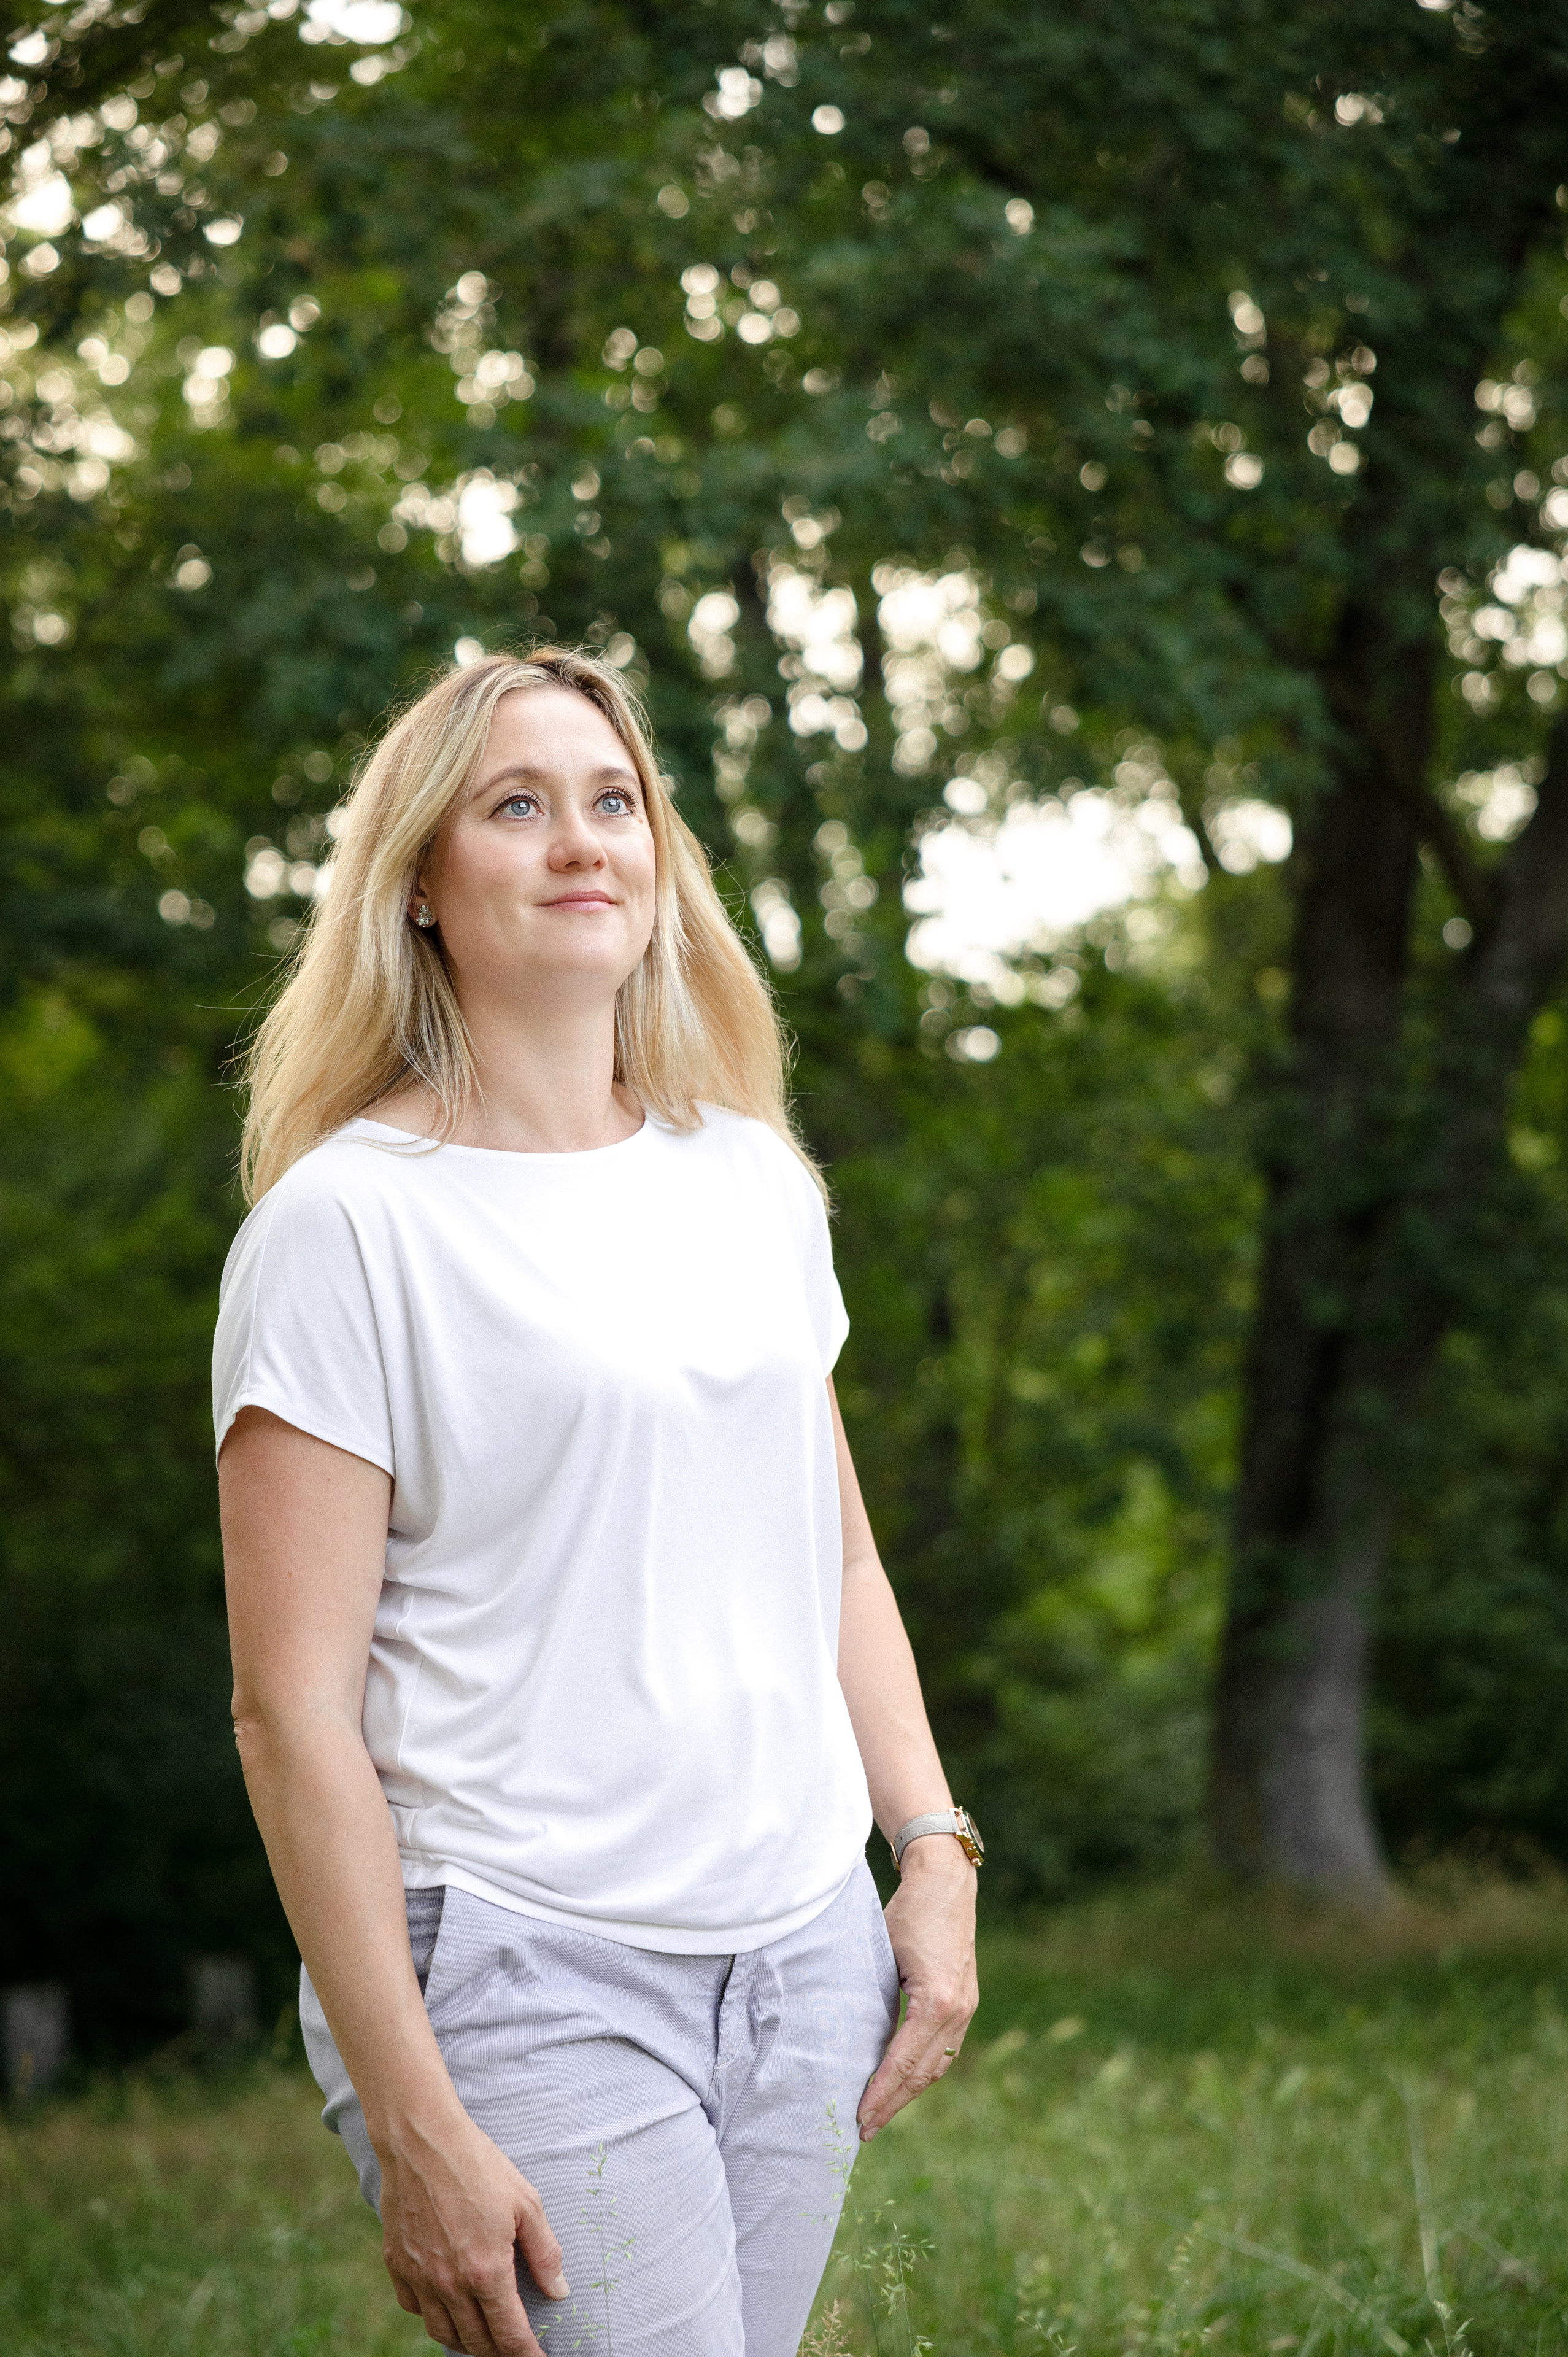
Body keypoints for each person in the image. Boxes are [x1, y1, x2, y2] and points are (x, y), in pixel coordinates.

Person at [215, 648, 981, 2357]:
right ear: (421, 884)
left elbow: (836, 1558)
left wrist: (931, 1847)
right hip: (522, 1964)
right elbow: (290, 1714)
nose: (580, 841)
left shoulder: (754, 1180)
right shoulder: (346, 1229)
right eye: (516, 805)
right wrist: (414, 2116)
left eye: (613, 800)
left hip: (802, 1955)